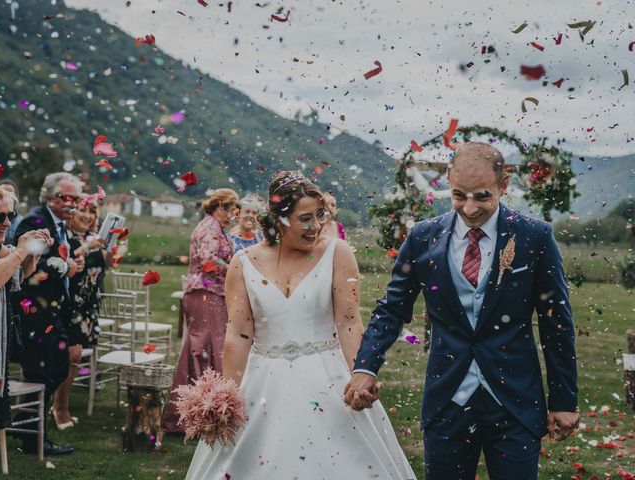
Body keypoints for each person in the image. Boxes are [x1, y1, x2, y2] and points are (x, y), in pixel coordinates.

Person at [345, 143, 579, 480]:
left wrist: (563, 400)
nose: (469, 209)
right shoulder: (424, 238)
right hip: (447, 402)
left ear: (504, 185)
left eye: (482, 196)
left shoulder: (534, 238)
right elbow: (391, 310)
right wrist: (365, 366)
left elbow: (556, 323)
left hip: (514, 401)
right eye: (459, 195)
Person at [185, 171, 415, 479]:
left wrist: (360, 375)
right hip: (263, 382)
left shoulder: (338, 252)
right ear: (279, 220)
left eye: (320, 216)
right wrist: (225, 397)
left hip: (328, 378)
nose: (316, 226)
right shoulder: (242, 263)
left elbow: (349, 323)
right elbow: (238, 335)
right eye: (305, 218)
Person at [13, 172, 85, 455]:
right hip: (35, 311)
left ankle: (25, 425)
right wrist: (66, 267)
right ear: (51, 198)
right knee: (44, 371)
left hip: (53, 310)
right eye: (67, 198)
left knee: (55, 369)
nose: (73, 204)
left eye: (77, 199)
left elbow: (61, 260)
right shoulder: (35, 221)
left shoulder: (62, 225)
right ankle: (34, 438)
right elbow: (29, 266)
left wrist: (72, 262)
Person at [163, 188, 240, 434]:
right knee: (204, 351)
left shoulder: (216, 228)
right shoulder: (209, 228)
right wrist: (235, 268)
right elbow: (208, 261)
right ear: (214, 206)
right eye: (225, 208)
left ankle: (197, 413)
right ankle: (195, 414)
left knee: (204, 349)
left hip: (210, 294)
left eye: (232, 209)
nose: (229, 214)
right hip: (205, 294)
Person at [51, 199, 111, 429]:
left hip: (88, 307)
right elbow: (63, 260)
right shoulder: (66, 237)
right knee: (73, 355)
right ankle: (60, 407)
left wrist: (110, 248)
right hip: (69, 305)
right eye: (83, 210)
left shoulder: (93, 238)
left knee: (74, 357)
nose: (87, 215)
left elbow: (106, 266)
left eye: (92, 212)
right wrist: (88, 247)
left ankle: (58, 403)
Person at [0, 185, 49, 430]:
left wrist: (30, 259)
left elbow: (16, 279)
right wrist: (20, 251)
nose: (6, 223)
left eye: (10, 216)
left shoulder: (2, 251)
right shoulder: (8, 252)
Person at [0, 179, 24, 245]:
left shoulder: (23, 222)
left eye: (10, 194)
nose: (7, 197)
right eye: (3, 193)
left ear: (16, 197)